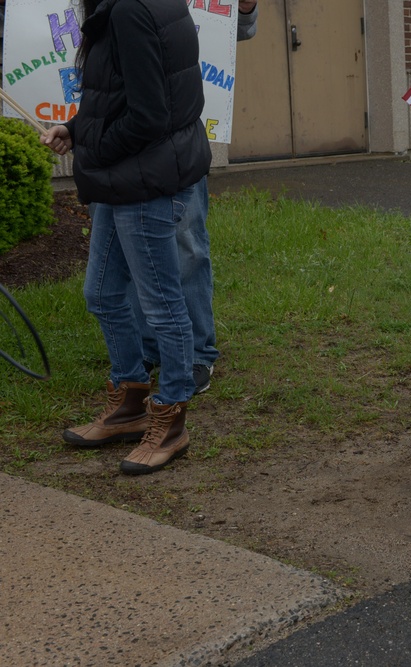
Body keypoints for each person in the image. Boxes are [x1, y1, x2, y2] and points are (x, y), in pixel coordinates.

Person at [42, 0, 211, 474]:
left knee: (160, 304)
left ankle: (171, 418)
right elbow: (119, 94)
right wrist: (76, 128)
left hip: (144, 180)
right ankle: (130, 403)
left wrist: (91, 147)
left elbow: (151, 115)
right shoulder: (128, 7)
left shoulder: (131, 10)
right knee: (101, 292)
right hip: (130, 176)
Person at [131, 0, 260, 395]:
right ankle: (148, 347)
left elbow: (235, 30)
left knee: (186, 244)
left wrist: (248, 8)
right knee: (130, 245)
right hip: (122, 129)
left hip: (179, 132)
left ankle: (196, 354)